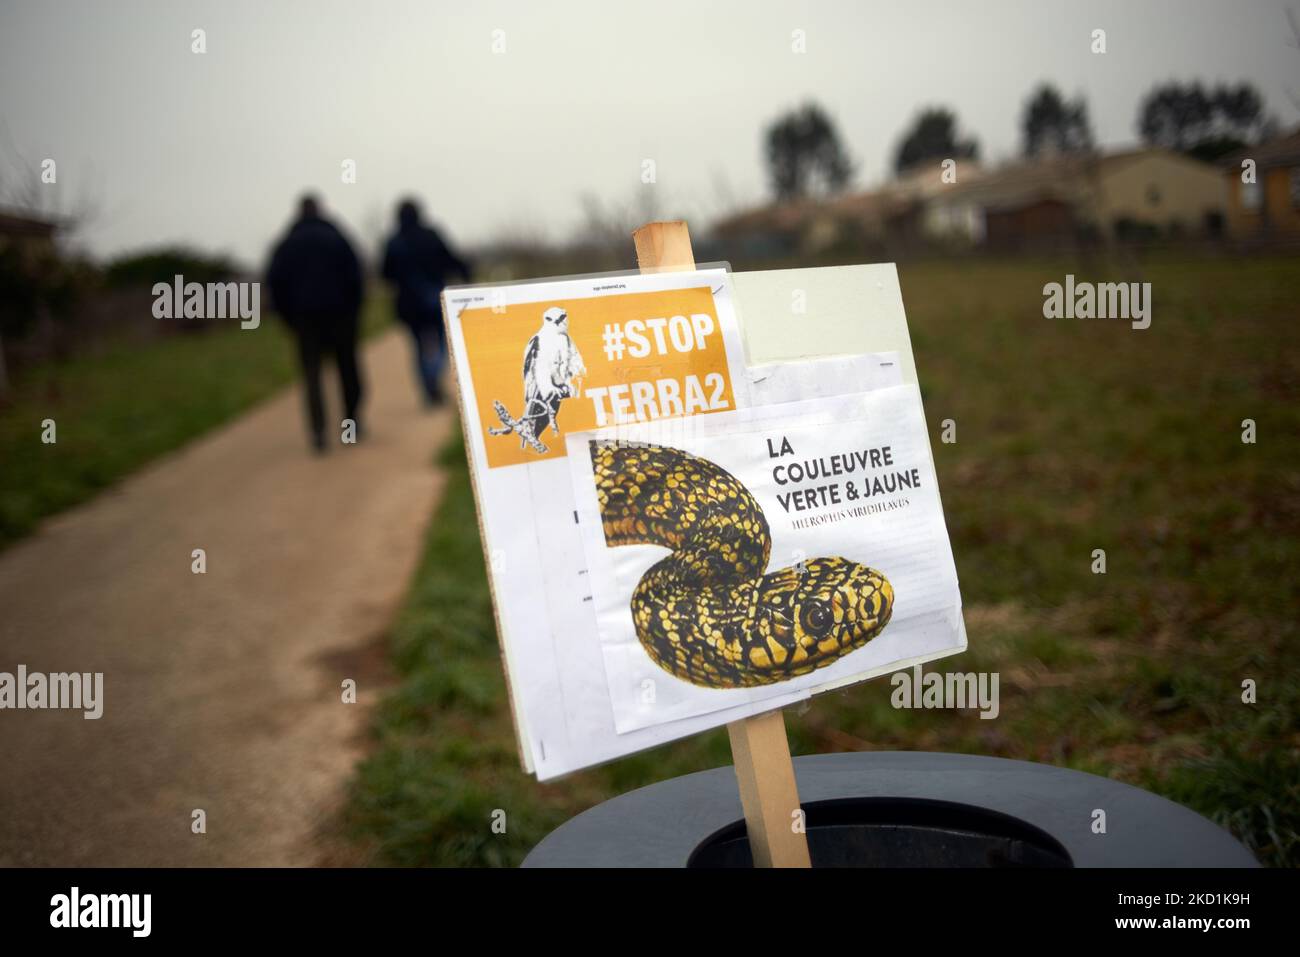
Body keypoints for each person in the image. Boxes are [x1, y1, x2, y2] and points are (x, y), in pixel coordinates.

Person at [267, 195, 365, 452]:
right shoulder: (337, 238)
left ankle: (319, 433)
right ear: (320, 210)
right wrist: (354, 311)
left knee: (312, 376)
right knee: (347, 369)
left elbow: (275, 285)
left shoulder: (286, 244)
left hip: (305, 321)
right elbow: (357, 275)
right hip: (341, 317)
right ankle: (352, 423)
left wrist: (289, 320)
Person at [381, 199, 470, 405]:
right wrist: (465, 275)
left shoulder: (394, 242)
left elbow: (385, 273)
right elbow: (451, 259)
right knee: (440, 342)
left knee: (418, 346)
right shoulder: (431, 235)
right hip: (435, 301)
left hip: (408, 306)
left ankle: (428, 386)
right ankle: (434, 376)